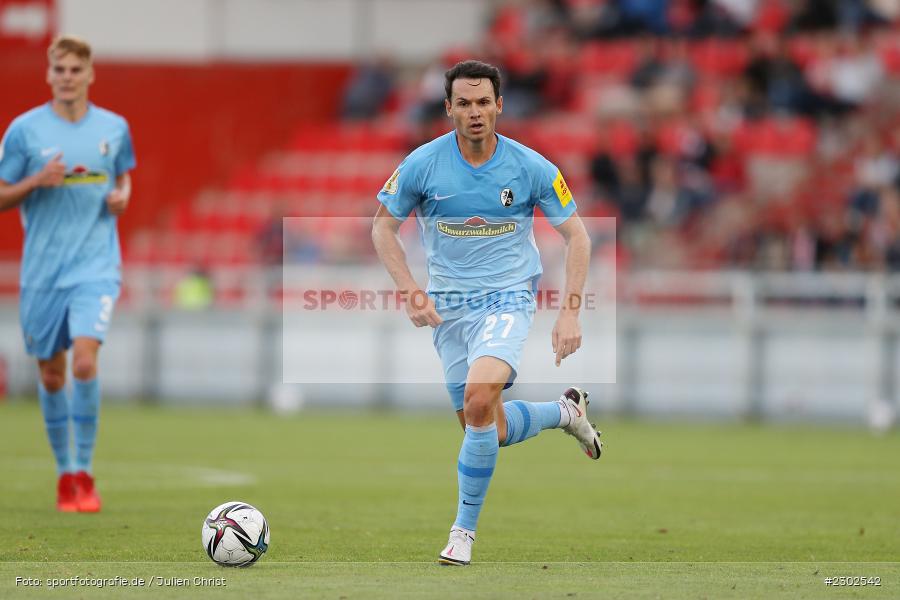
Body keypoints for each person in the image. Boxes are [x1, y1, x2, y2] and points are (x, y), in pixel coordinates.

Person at [372, 60, 601, 566]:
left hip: (507, 298)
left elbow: (577, 236)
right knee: (487, 428)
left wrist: (570, 313)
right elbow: (382, 228)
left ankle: (462, 534)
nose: (475, 113)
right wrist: (410, 289)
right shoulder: (422, 165)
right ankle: (565, 412)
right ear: (448, 108)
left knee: (479, 398)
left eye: (483, 102)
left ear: (499, 105)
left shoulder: (531, 167)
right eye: (464, 103)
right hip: (449, 311)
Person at [0, 35, 136, 512]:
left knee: (83, 362)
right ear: (49, 74)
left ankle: (85, 472)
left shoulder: (114, 128)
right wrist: (36, 181)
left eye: (76, 69)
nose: (67, 77)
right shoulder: (24, 131)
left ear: (90, 74)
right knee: (53, 376)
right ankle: (63, 474)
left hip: (95, 265)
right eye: (59, 69)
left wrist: (124, 196)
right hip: (43, 273)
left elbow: (123, 176)